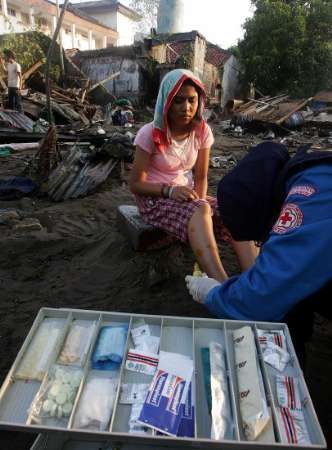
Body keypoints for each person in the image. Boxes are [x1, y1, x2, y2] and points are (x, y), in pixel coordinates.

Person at [186, 142, 332, 364]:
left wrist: (213, 294)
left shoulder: (308, 197)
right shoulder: (310, 172)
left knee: (284, 298)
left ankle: (287, 365)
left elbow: (262, 295)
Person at [130, 69, 257, 281]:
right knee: (201, 209)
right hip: (153, 198)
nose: (186, 107)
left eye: (192, 100)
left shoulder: (202, 131)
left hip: (187, 195)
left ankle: (256, 279)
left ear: (200, 101)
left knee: (232, 209)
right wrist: (169, 191)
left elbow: (200, 177)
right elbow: (135, 184)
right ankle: (221, 286)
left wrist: (198, 202)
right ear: (167, 101)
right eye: (178, 101)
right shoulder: (149, 134)